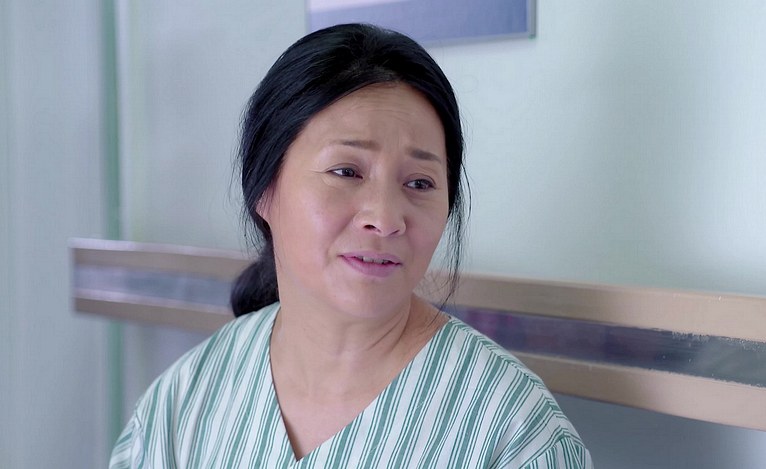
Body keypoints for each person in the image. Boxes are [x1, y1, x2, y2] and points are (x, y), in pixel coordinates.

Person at [110, 23, 592, 468]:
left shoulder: (514, 433)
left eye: (420, 183)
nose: (385, 219)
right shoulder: (182, 404)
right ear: (264, 188)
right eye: (346, 171)